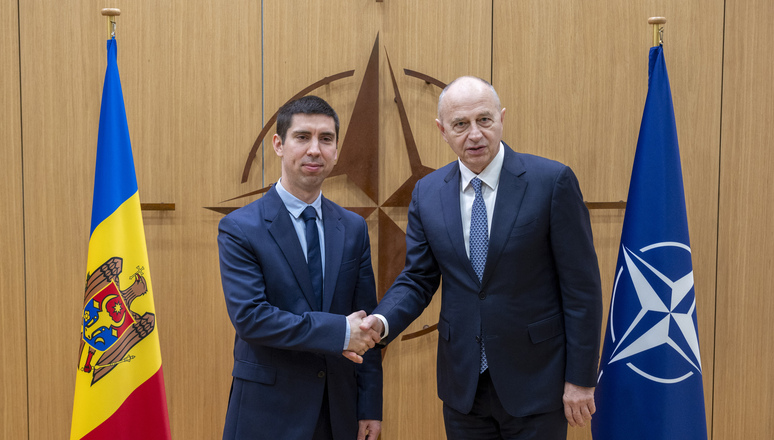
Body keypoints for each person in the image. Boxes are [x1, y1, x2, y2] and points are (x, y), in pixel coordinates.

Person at [362, 76, 603, 439]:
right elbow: (418, 279)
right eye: (460, 124)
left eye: (484, 120)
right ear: (443, 130)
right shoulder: (427, 193)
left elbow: (581, 289)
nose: (474, 134)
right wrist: (381, 322)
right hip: (464, 388)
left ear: (501, 119)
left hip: (538, 381)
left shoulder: (551, 182)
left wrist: (581, 379)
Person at [218, 95, 382, 440]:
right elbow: (252, 318)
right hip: (267, 410)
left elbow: (365, 322)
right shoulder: (240, 227)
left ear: (336, 150)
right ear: (279, 144)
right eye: (302, 137)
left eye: (326, 139)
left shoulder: (352, 228)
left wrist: (370, 406)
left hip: (337, 410)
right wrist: (338, 332)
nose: (314, 150)